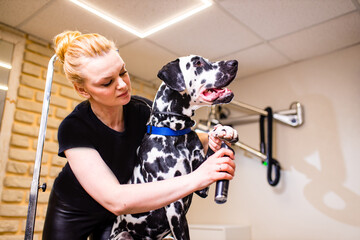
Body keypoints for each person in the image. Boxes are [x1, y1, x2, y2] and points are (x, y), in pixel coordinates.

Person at [42, 31, 236, 240]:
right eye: (107, 82)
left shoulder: (143, 110)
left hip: (122, 211)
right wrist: (198, 177)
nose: (123, 85)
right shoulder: (75, 127)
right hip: (76, 211)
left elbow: (179, 139)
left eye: (123, 72)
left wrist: (211, 139)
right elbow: (115, 199)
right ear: (82, 90)